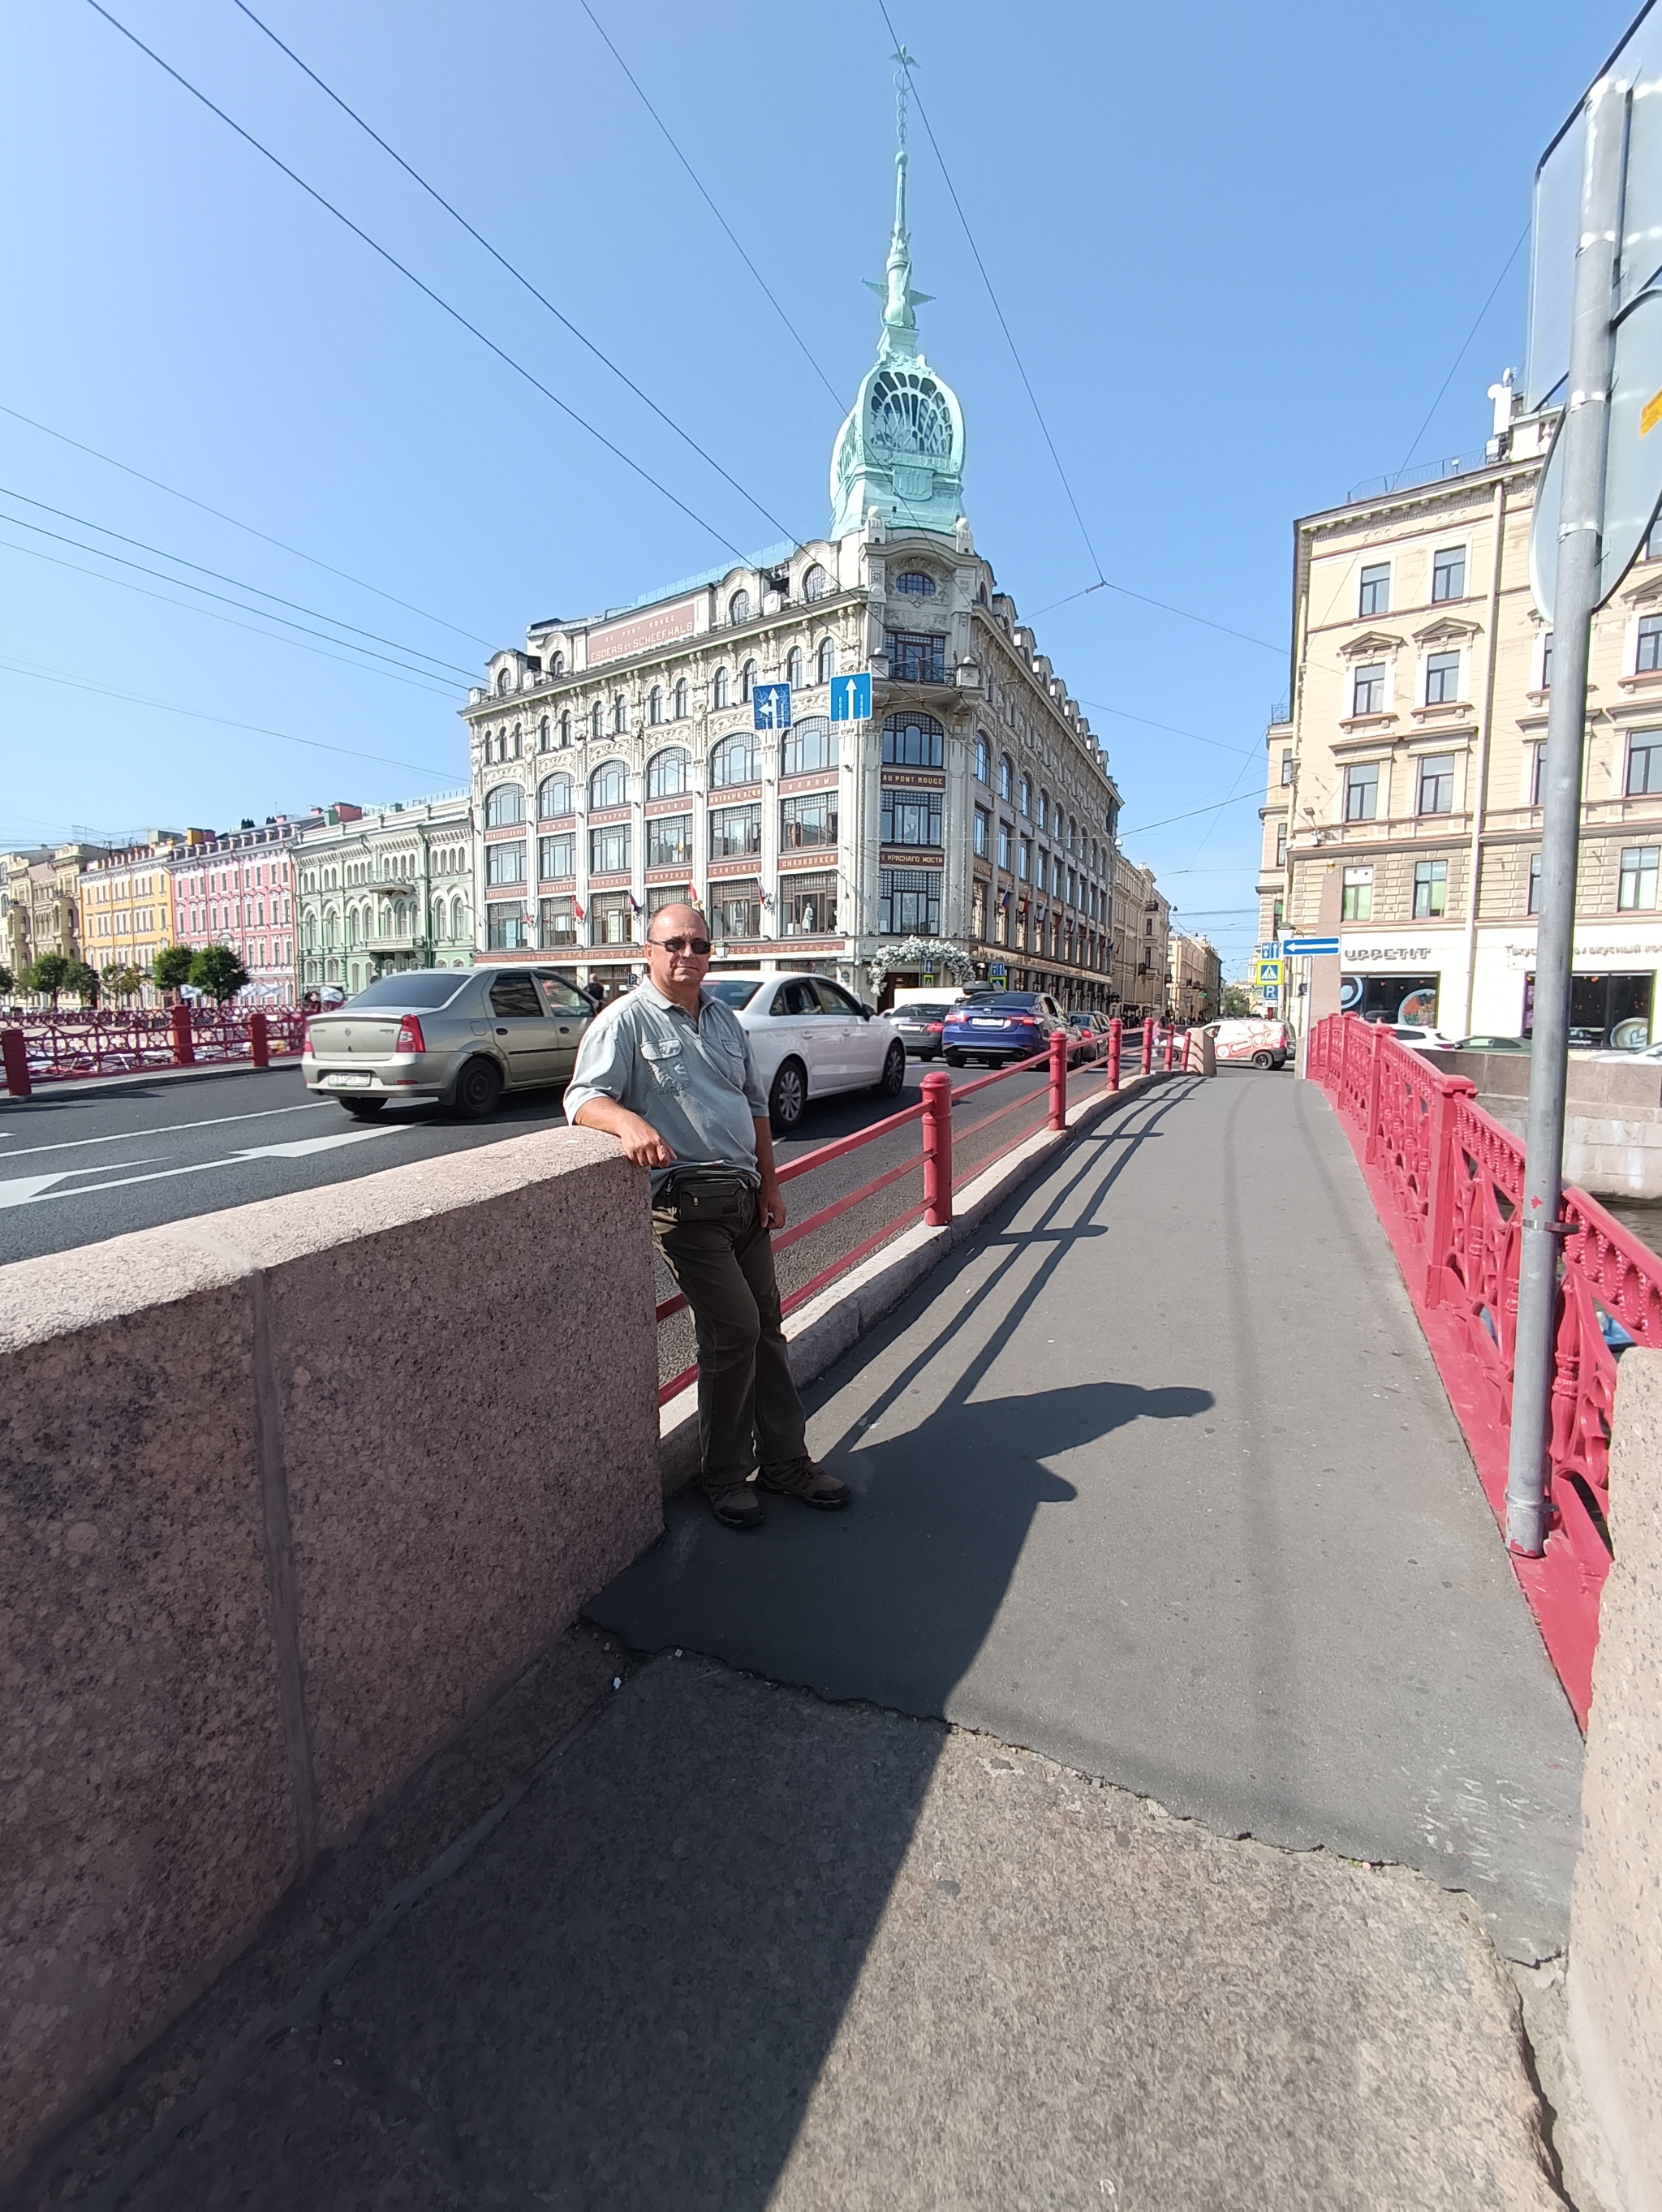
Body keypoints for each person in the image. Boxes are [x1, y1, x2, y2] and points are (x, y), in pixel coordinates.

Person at [565, 905, 850, 1530]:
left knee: (768, 1331)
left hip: (744, 1198)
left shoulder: (723, 1019)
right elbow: (583, 1097)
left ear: (710, 952)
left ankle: (785, 1463)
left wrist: (770, 1185)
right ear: (648, 950)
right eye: (673, 944)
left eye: (697, 944)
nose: (686, 954)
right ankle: (724, 1475)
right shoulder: (625, 1021)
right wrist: (628, 1121)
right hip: (684, 1207)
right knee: (735, 1331)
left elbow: (755, 1107)